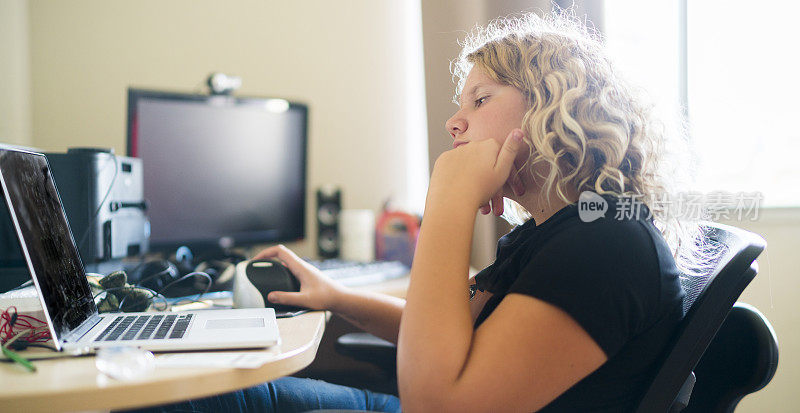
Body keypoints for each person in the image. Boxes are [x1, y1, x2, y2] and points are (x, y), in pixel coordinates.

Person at [131, 10, 704, 413]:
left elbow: (438, 403)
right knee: (187, 394)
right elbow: (454, 336)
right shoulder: (553, 234)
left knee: (185, 402)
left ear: (554, 111)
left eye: (481, 100)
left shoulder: (606, 245)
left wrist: (449, 205)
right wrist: (338, 298)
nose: (455, 123)